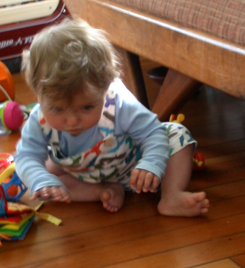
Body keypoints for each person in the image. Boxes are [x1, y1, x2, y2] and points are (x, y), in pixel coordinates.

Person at [15, 19, 209, 217]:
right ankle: (100, 191)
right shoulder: (38, 120)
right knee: (47, 175)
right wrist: (41, 180)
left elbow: (153, 132)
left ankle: (171, 195)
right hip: (83, 177)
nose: (72, 121)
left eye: (86, 107)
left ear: (105, 87)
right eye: (57, 109)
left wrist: (151, 163)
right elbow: (26, 156)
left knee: (177, 134)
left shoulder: (117, 104)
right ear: (38, 94)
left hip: (136, 168)